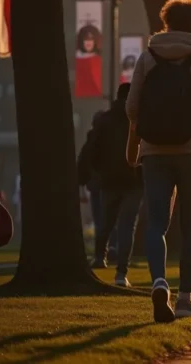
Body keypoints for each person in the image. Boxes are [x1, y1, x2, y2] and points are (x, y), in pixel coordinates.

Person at [126, 0, 191, 323]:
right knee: (190, 223)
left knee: (156, 222)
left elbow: (132, 106)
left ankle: (159, 282)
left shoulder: (148, 57)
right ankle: (185, 298)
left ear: (166, 20)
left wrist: (134, 142)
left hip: (154, 151)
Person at [91, 83, 144, 287]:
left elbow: (94, 150)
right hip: (133, 180)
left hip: (110, 180)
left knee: (106, 222)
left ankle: (99, 256)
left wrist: (101, 171)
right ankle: (122, 272)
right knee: (126, 226)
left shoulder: (105, 120)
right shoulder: (138, 118)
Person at [78, 110, 109, 268]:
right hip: (110, 184)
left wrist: (82, 184)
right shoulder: (110, 138)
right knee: (113, 219)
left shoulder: (91, 139)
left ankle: (100, 254)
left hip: (96, 185)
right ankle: (112, 249)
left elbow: (83, 162)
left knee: (99, 220)